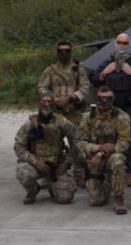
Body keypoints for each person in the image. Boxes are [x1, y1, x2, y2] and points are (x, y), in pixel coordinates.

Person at [37, 40, 90, 187]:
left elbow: (85, 87)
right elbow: (41, 87)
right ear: (57, 52)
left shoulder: (78, 69)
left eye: (67, 50)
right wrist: (52, 98)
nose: (64, 53)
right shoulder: (50, 70)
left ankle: (79, 174)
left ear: (70, 51)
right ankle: (51, 174)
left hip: (74, 111)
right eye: (61, 50)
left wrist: (73, 97)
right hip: (55, 112)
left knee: (77, 143)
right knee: (52, 143)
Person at [92, 33, 131, 187]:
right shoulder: (107, 62)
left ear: (129, 44)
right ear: (115, 43)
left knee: (130, 138)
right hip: (109, 108)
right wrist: (104, 73)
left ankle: (130, 171)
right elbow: (94, 80)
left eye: (125, 43)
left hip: (128, 106)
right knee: (107, 137)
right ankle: (107, 168)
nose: (122, 45)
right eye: (119, 42)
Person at [14, 90, 78, 205]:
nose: (46, 104)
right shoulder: (30, 123)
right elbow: (19, 146)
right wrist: (34, 161)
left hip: (57, 165)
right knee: (24, 173)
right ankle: (33, 191)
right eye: (43, 101)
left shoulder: (62, 121)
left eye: (50, 101)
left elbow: (76, 141)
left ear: (53, 103)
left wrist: (66, 163)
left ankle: (53, 186)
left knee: (65, 198)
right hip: (37, 165)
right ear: (39, 103)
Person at [77, 86, 131, 214]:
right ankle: (107, 183)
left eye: (108, 99)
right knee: (96, 201)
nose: (104, 102)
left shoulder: (121, 117)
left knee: (118, 160)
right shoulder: (88, 117)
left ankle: (118, 199)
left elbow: (124, 142)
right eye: (101, 99)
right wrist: (95, 148)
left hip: (111, 156)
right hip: (93, 157)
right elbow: (79, 141)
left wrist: (102, 153)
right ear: (97, 99)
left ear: (113, 100)